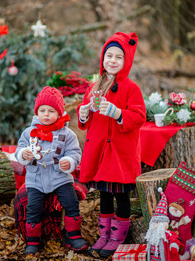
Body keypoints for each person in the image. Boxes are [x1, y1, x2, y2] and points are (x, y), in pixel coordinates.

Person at [77, 32, 146, 258]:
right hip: (99, 152)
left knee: (121, 196)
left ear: (126, 62)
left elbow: (139, 117)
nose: (113, 61)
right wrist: (84, 113)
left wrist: (118, 113)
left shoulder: (131, 88)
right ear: (103, 58)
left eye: (119, 57)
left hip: (119, 154)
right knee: (105, 196)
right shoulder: (95, 86)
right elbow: (87, 123)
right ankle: (104, 235)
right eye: (109, 56)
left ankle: (118, 236)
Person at [15, 86, 87, 255]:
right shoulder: (29, 133)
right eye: (42, 110)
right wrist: (23, 154)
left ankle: (73, 236)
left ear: (59, 113)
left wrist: (68, 162)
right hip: (36, 178)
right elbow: (19, 149)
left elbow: (75, 153)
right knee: (33, 207)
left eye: (51, 111)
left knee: (71, 203)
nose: (46, 115)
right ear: (37, 112)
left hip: (59, 177)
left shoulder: (67, 134)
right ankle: (33, 240)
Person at [145, 188, 185, 261]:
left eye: (161, 223)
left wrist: (173, 246)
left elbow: (173, 239)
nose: (158, 225)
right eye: (156, 222)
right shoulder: (150, 234)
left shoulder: (167, 234)